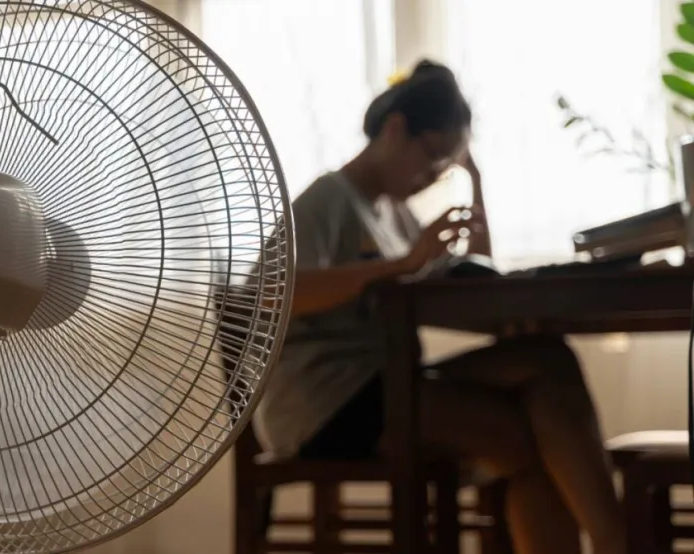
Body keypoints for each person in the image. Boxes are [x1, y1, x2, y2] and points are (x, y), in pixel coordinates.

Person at [251, 60, 625, 554]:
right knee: (537, 441)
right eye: (432, 162)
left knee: (548, 359)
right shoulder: (328, 200)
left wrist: (476, 181)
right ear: (396, 128)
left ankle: (615, 543)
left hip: (389, 386)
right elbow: (275, 295)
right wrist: (400, 265)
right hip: (328, 403)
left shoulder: (394, 211)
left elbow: (480, 280)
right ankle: (618, 543)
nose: (432, 180)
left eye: (444, 171)